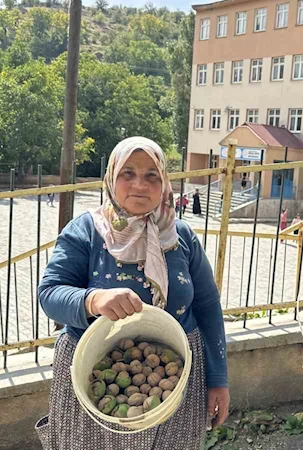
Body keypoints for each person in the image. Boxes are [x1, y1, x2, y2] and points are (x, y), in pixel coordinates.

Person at [36, 137, 229, 450]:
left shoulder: (180, 236)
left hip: (176, 375)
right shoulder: (86, 231)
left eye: (152, 175)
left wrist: (218, 378)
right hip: (97, 372)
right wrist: (93, 300)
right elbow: (50, 293)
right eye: (128, 173)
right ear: (112, 178)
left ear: (164, 181)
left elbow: (207, 306)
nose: (140, 184)